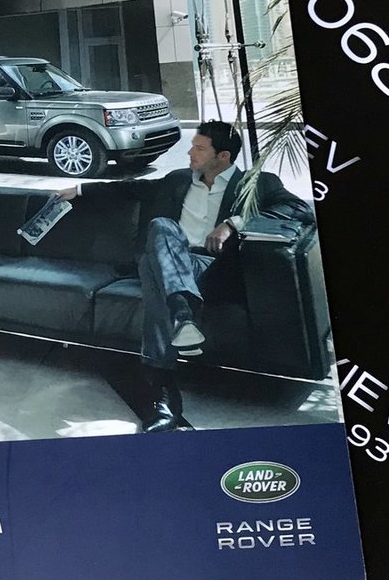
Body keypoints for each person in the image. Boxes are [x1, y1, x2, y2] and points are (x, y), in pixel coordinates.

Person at [61, 121, 311, 433]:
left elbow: (299, 209)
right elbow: (131, 188)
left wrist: (233, 223)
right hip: (169, 260)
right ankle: (181, 318)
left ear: (222, 156)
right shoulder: (178, 180)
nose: (190, 153)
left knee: (155, 274)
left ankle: (164, 391)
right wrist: (80, 189)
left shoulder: (257, 184)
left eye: (199, 148)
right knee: (162, 228)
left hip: (213, 269)